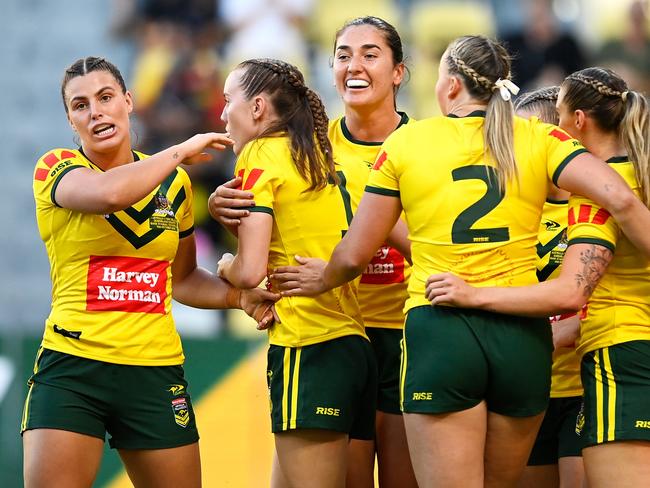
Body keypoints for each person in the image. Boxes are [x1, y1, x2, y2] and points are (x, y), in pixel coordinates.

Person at [270, 36, 650, 487]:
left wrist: (322, 278)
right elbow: (620, 198)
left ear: (450, 86)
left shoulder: (409, 141)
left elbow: (354, 254)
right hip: (522, 338)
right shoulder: (540, 137)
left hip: (442, 327)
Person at [22, 56, 278, 488]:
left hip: (154, 371)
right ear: (71, 119)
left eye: (105, 98)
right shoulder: (56, 168)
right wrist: (179, 151)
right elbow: (107, 195)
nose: (96, 112)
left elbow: (183, 279)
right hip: (72, 369)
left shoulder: (173, 185)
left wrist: (238, 297)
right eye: (81, 105)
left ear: (128, 101)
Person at [209, 16, 418, 487]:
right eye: (343, 54)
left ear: (399, 71)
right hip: (352, 333)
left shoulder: (422, 145)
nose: (354, 64)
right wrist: (224, 202)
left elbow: (426, 243)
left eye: (369, 54)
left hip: (400, 335)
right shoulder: (320, 147)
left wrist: (333, 268)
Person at [425, 67, 650, 488]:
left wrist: (474, 298)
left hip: (609, 363)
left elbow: (572, 293)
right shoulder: (527, 208)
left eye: (527, 134)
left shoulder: (603, 195)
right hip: (550, 380)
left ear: (568, 128)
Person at [514, 86, 586, 488]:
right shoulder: (508, 210)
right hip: (526, 389)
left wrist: (572, 327)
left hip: (580, 386)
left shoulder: (591, 208)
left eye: (522, 137)